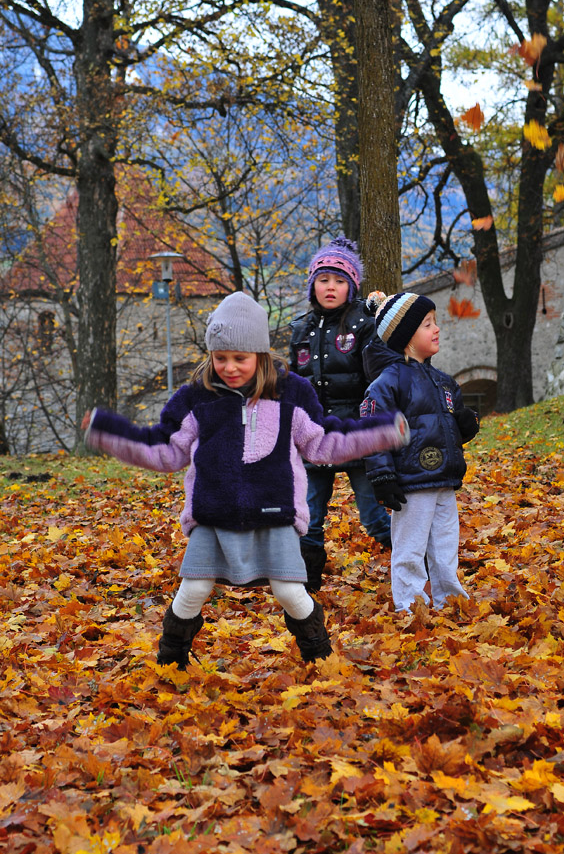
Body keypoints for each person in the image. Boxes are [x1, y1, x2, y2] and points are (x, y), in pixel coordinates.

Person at [83, 291, 408, 669]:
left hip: (275, 512)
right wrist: (106, 430)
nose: (230, 367)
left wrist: (384, 430)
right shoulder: (196, 399)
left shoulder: (291, 394)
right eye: (220, 358)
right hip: (213, 513)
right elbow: (163, 449)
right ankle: (171, 661)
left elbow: (324, 443)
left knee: (290, 592)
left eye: (240, 358)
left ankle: (320, 659)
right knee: (194, 589)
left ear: (260, 354)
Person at [360, 292, 479, 613]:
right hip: (410, 481)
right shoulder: (387, 384)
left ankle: (449, 598)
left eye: (436, 322)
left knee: (444, 546)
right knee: (410, 548)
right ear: (406, 338)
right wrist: (382, 475)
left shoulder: (443, 382)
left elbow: (451, 423)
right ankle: (411, 604)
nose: (437, 329)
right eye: (428, 324)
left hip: (444, 479)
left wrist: (466, 425)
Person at [289, 236, 392, 591]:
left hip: (356, 439)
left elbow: (377, 378)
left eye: (339, 281)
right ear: (312, 285)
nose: (330, 287)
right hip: (313, 439)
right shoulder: (300, 330)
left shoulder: (363, 324)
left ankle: (418, 564)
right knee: (308, 517)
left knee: (375, 517)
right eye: (323, 280)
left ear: (351, 286)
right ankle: (306, 588)